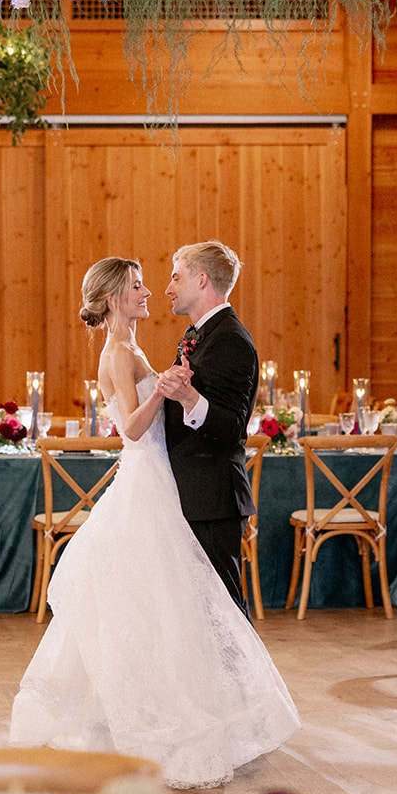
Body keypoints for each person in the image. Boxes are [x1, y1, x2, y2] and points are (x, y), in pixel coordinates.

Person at [9, 255, 298, 789]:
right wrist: (168, 391)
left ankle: (209, 716)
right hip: (150, 483)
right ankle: (162, 719)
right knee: (160, 610)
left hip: (167, 483)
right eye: (140, 286)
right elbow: (132, 429)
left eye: (161, 281)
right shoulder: (119, 351)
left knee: (174, 609)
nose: (153, 293)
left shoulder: (141, 346)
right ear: (118, 296)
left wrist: (172, 389)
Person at [159, 241, 259, 617]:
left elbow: (232, 428)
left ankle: (247, 679)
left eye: (175, 277)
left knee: (224, 612)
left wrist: (188, 399)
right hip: (192, 495)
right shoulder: (199, 334)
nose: (168, 288)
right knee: (197, 614)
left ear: (201, 280)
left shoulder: (230, 339)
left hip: (212, 497)